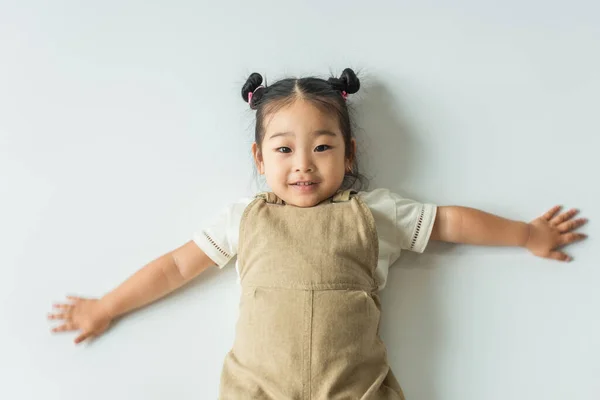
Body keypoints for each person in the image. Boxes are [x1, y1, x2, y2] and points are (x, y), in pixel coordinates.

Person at [48, 68, 588, 399]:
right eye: (284, 149)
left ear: (348, 153)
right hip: (256, 390)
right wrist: (107, 306)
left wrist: (524, 234)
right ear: (260, 158)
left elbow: (448, 220)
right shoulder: (244, 218)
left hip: (357, 390)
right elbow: (174, 266)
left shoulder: (375, 212)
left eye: (322, 147)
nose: (303, 165)